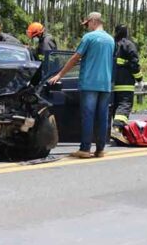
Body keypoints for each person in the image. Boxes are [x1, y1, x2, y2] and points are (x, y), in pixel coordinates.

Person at [48, 12, 114, 158]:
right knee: (102, 117)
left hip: (90, 83)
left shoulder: (89, 38)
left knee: (88, 116)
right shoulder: (110, 40)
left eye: (87, 24)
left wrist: (59, 75)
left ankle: (85, 149)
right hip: (106, 84)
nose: (87, 27)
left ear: (93, 21)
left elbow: (75, 58)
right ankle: (100, 149)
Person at [111, 25, 143, 143]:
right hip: (125, 81)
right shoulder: (129, 45)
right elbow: (134, 64)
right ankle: (116, 129)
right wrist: (139, 79)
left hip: (112, 81)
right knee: (124, 104)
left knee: (115, 106)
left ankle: (117, 131)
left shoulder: (111, 44)